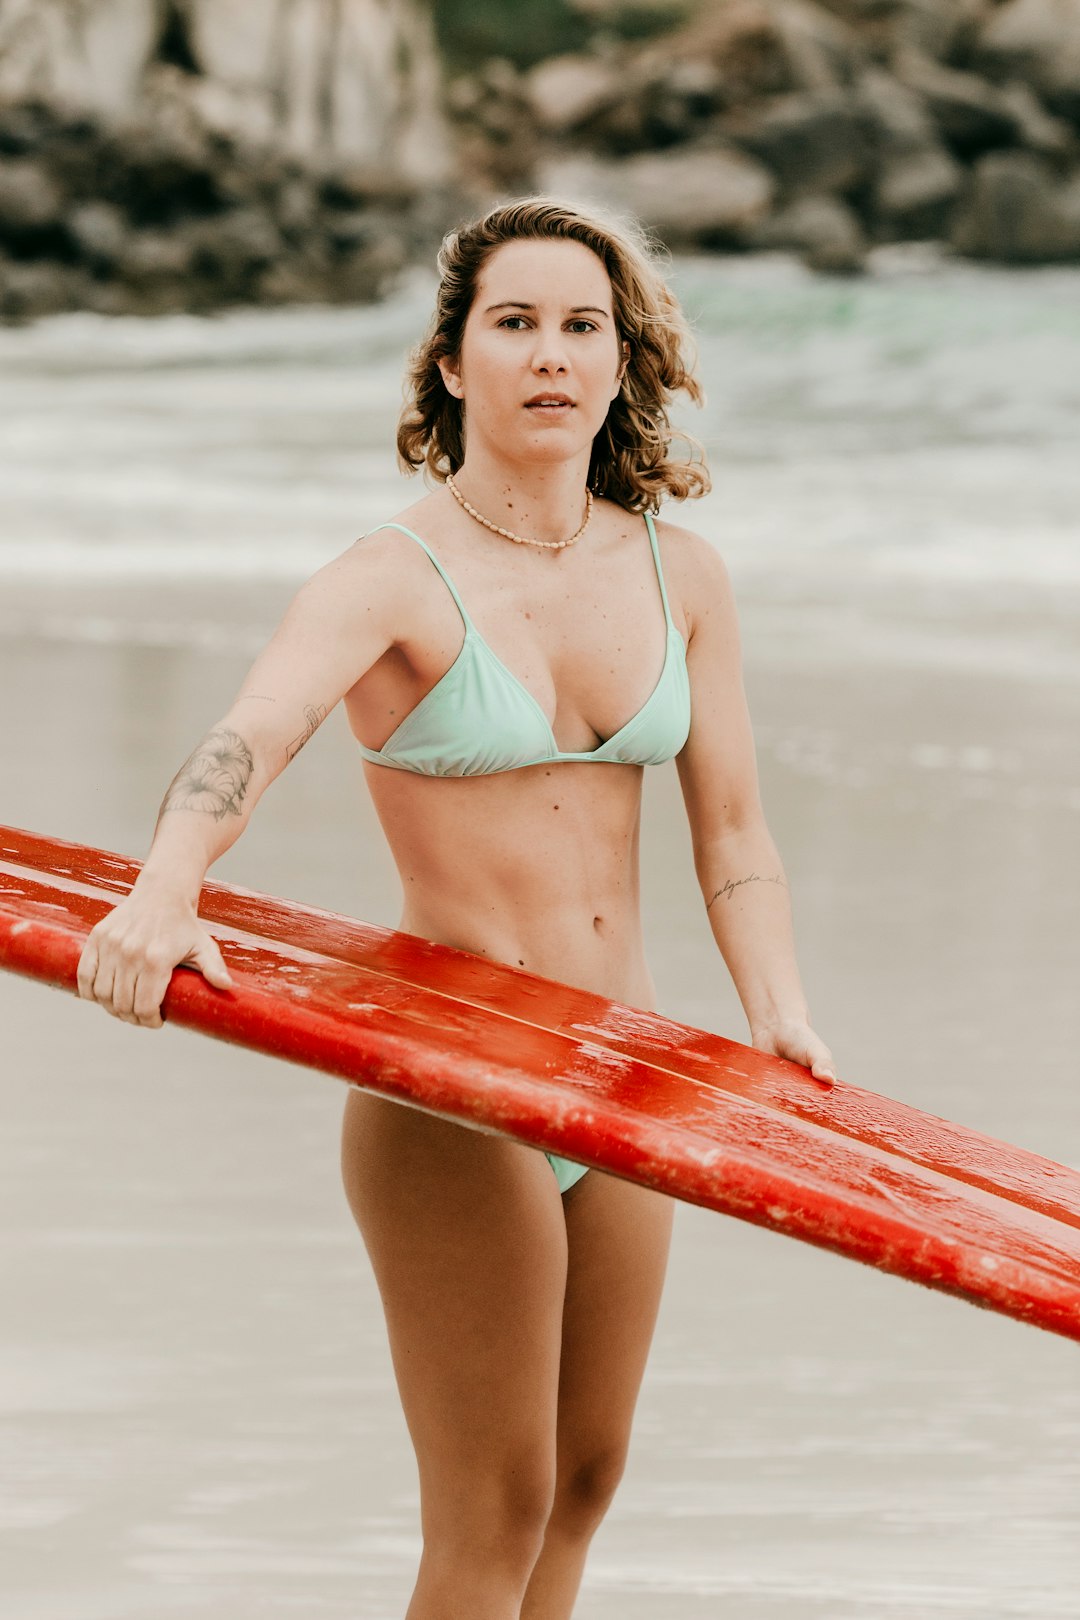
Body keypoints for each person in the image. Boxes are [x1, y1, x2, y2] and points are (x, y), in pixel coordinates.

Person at [76, 197, 835, 1620]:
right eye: (514, 323)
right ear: (450, 364)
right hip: (455, 1075)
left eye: (580, 327)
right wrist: (162, 892)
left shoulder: (682, 577)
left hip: (626, 1071)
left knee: (586, 1482)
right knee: (494, 1506)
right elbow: (250, 738)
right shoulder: (391, 577)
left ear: (622, 365)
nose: (551, 355)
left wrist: (776, 1015)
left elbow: (733, 835)